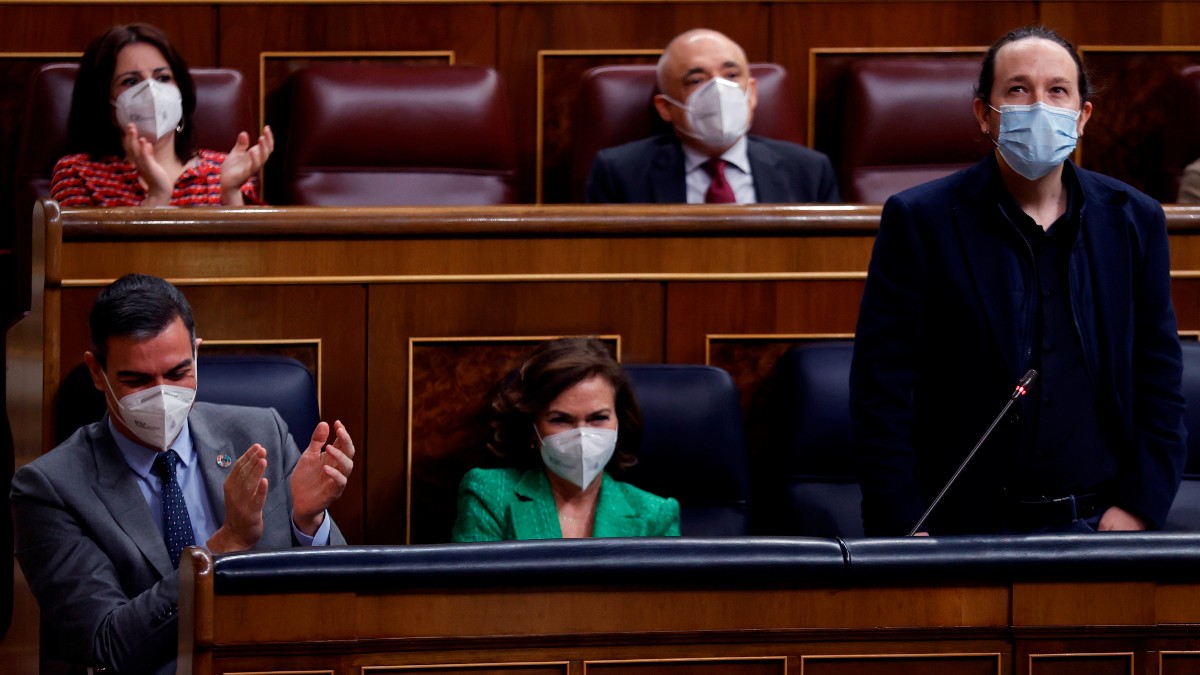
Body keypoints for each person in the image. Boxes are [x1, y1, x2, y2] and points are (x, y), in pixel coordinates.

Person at [850, 25, 1188, 536]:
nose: (1039, 104)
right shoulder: (920, 220)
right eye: (1017, 89)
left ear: (1082, 115)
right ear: (984, 114)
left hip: (1099, 523)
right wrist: (902, 519)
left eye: (1057, 90)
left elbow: (1158, 376)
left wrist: (1139, 508)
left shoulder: (1132, 219)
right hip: (958, 526)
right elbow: (882, 386)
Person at [10, 274, 354, 675]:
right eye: (136, 380)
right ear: (96, 372)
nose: (160, 395)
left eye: (177, 374)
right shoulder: (49, 489)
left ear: (197, 353)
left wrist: (309, 522)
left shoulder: (263, 434)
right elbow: (109, 644)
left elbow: (337, 603)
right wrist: (225, 546)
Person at [451, 337, 680, 540]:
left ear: (620, 421)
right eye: (561, 419)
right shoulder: (490, 495)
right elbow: (475, 587)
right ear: (532, 427)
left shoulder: (655, 514)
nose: (582, 434)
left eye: (598, 418)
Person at [585, 28, 839, 205]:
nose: (718, 90)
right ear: (665, 107)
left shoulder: (809, 171)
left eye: (731, 75)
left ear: (751, 94)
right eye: (696, 80)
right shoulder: (619, 174)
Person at [50, 23, 272, 207]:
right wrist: (157, 197)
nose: (151, 91)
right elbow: (83, 259)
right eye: (131, 81)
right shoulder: (79, 173)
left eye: (163, 78)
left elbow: (244, 258)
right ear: (106, 103)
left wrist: (231, 194)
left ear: (181, 91)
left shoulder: (221, 170)